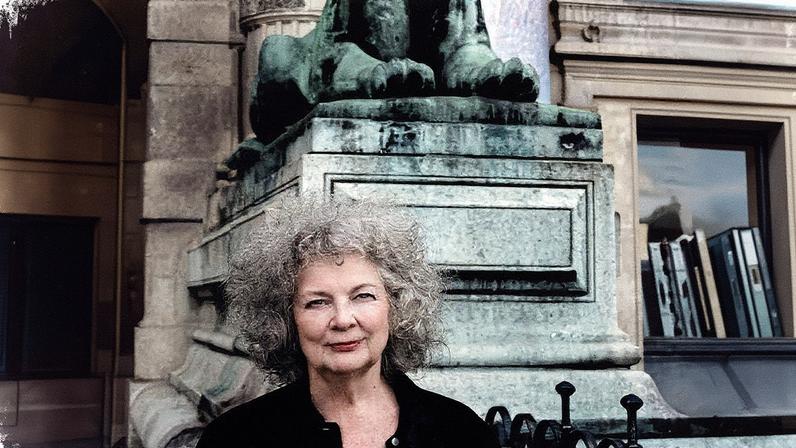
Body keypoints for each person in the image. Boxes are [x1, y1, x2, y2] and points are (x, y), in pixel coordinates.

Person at [196, 197, 499, 448]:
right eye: (317, 302)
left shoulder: (459, 432)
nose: (342, 320)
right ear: (286, 319)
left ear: (396, 307)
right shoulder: (236, 437)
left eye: (363, 296)